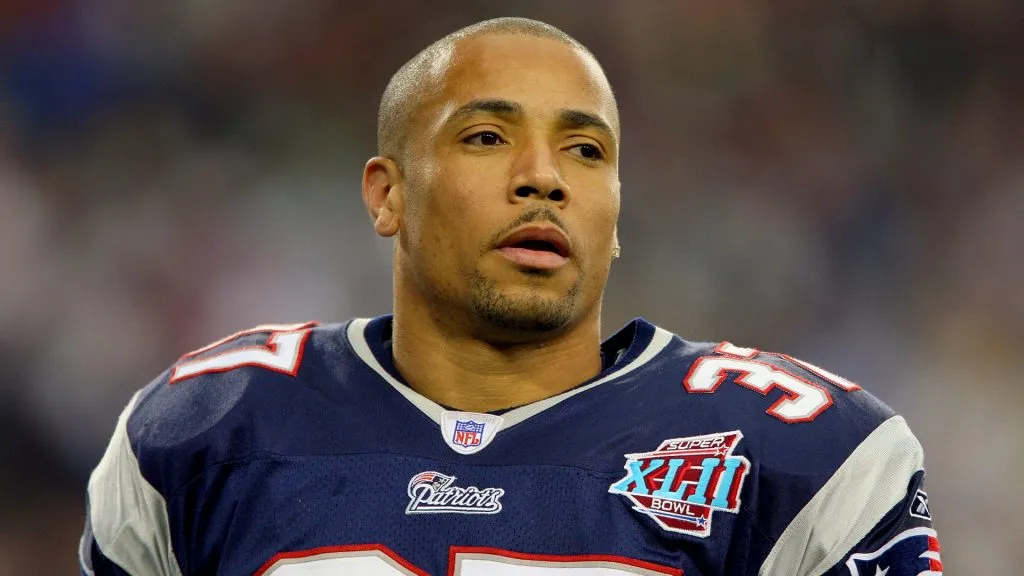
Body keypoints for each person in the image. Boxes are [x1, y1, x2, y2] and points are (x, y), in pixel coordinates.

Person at [79, 17, 941, 576]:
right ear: (388, 195)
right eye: (488, 137)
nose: (544, 179)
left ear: (615, 216)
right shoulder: (205, 430)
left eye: (587, 152)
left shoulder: (803, 453)